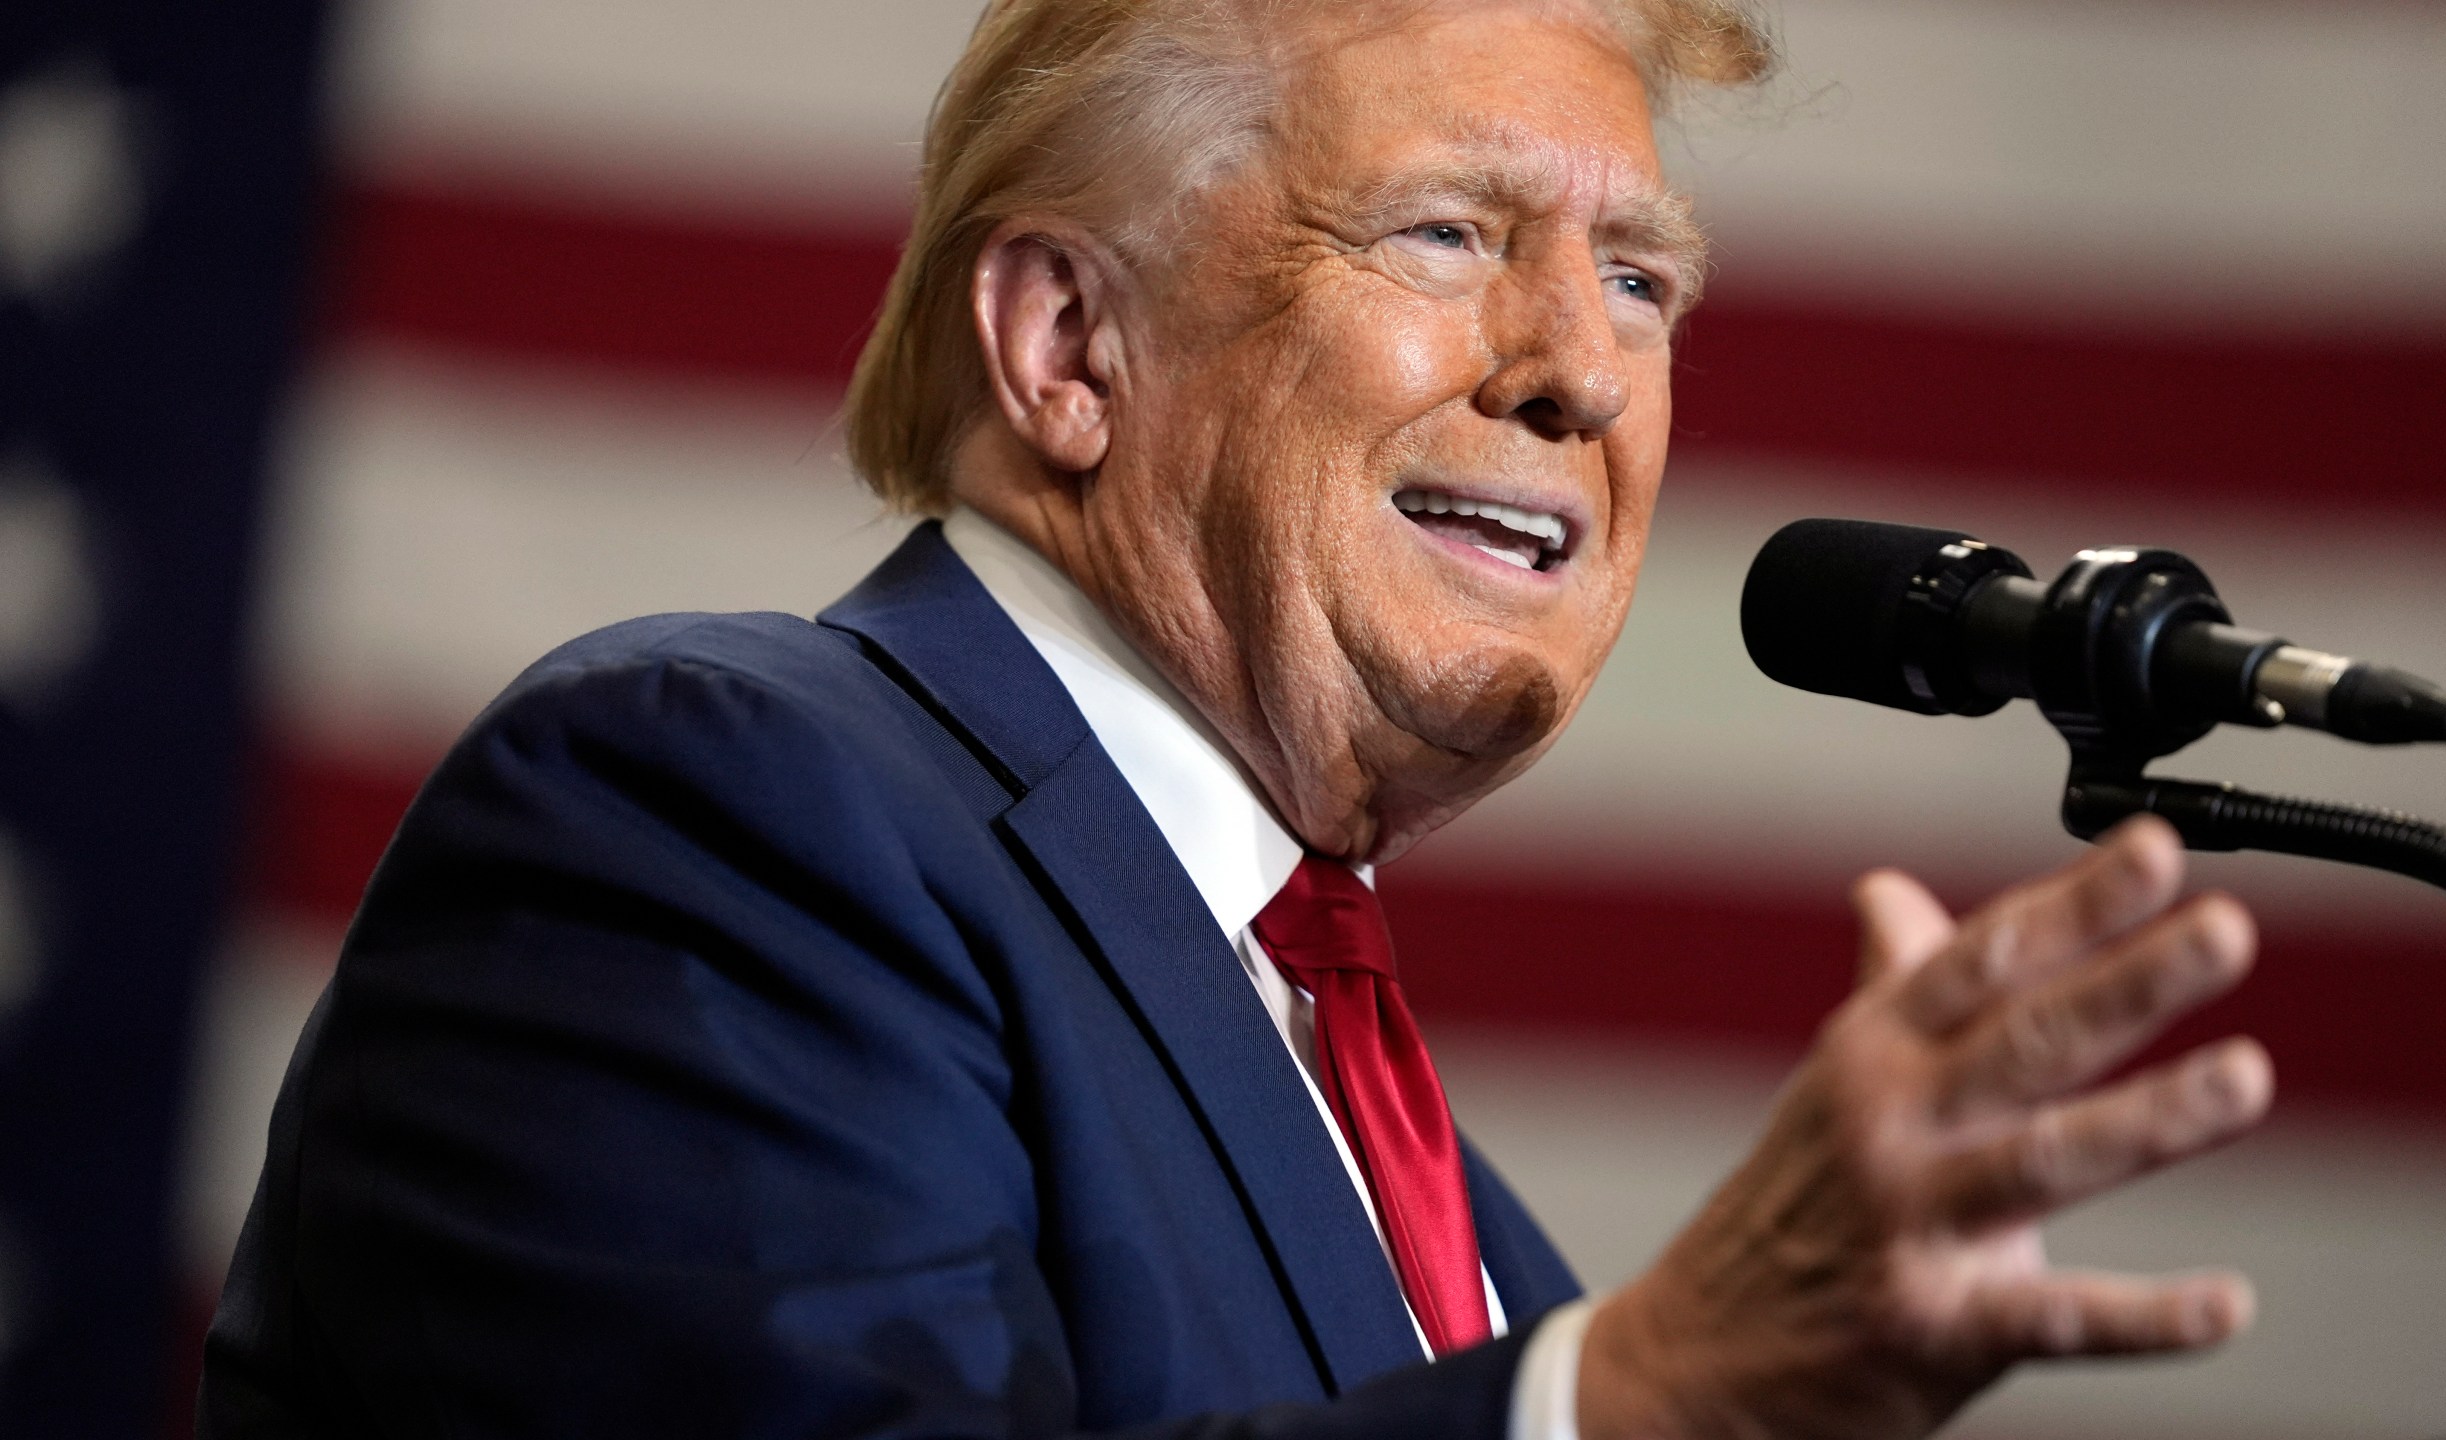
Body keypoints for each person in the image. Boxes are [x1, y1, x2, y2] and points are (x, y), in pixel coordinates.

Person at [200, 1, 2275, 1436]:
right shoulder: (703, 812)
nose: (1579, 369)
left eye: (1639, 277)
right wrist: (1624, 1407)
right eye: (1449, 231)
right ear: (1065, 342)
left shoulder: (1481, 1251)